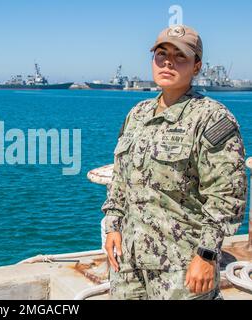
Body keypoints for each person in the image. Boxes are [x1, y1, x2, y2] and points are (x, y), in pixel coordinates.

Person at [102, 25, 247, 300]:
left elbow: (227, 197)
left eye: (180, 56)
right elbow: (121, 179)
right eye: (161, 53)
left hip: (180, 266)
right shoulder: (137, 114)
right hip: (129, 264)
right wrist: (113, 226)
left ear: (196, 67)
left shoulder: (212, 119)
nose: (168, 62)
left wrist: (206, 255)